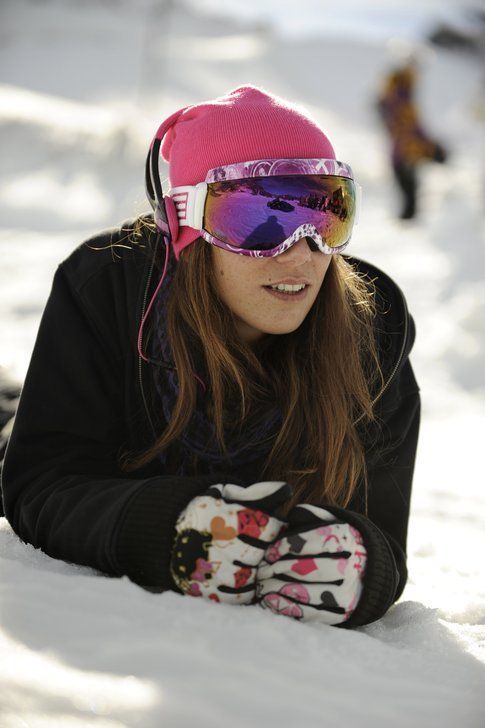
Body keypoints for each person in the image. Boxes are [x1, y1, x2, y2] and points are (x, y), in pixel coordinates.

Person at [1, 85, 420, 627]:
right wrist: (158, 527)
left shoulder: (370, 327)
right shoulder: (108, 287)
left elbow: (380, 526)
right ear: (186, 227)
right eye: (258, 218)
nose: (299, 251)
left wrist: (362, 566)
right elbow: (42, 483)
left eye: (324, 213)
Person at [377, 58, 447, 219]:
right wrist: (429, 148)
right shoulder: (401, 100)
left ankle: (405, 228)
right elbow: (412, 130)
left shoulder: (393, 97)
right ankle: (405, 230)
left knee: (409, 195)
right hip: (405, 154)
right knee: (409, 196)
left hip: (403, 153)